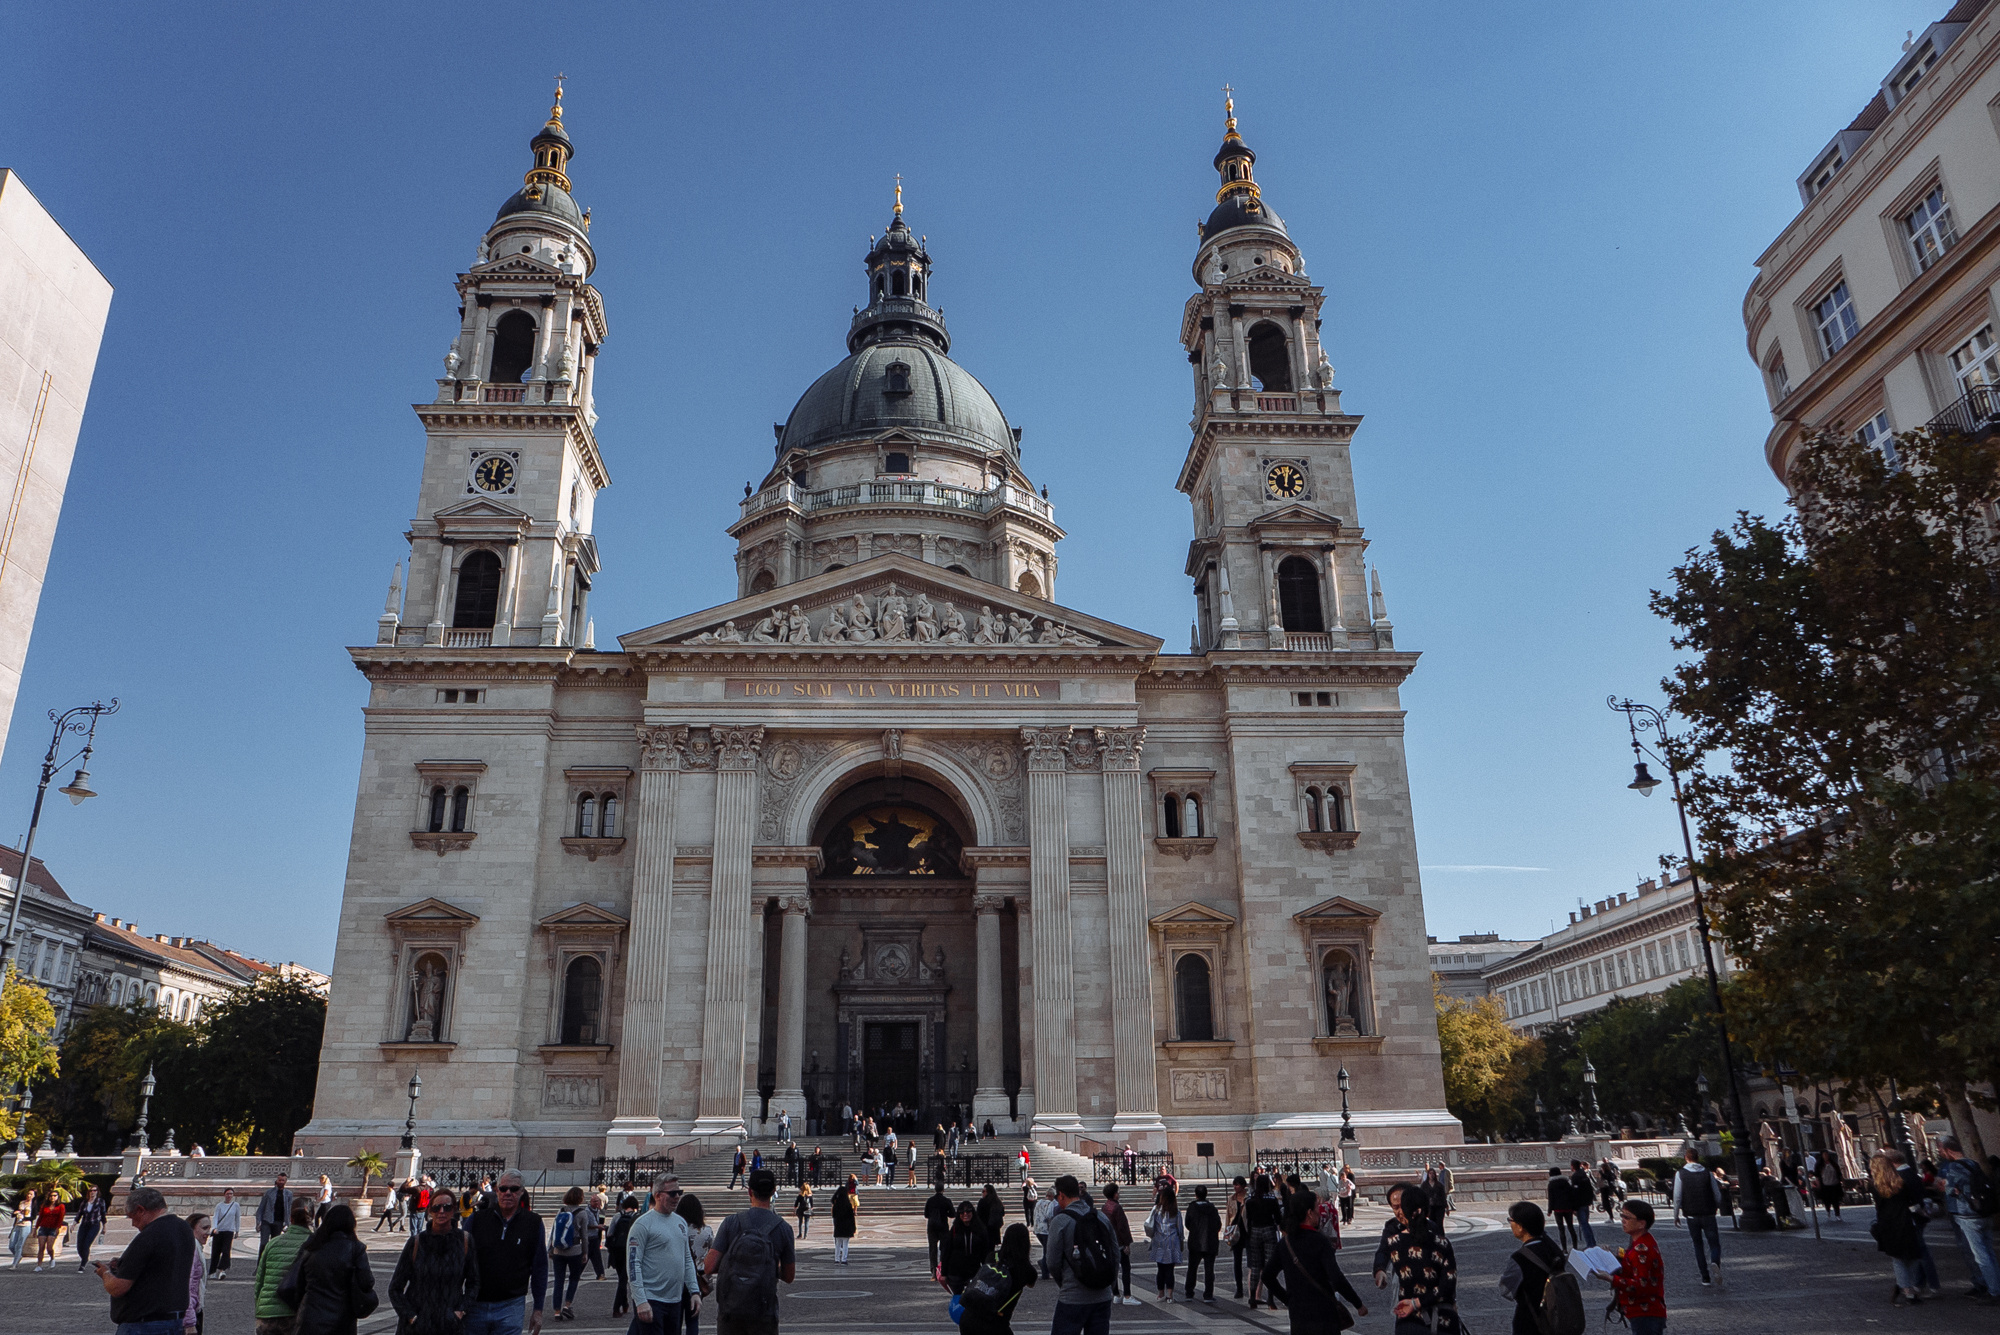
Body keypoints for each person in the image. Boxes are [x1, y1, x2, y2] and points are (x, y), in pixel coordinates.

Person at [703, 1168, 795, 1335]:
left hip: (731, 1311)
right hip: (764, 1311)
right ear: (774, 1191)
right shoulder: (784, 1229)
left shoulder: (731, 1223)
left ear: (749, 1191)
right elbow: (789, 1276)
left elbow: (709, 1266)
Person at [1262, 1190, 1368, 1334]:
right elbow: (1336, 1278)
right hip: (1324, 1312)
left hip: (1299, 1315)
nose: (1320, 1213)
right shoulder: (1320, 1241)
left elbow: (1267, 1276)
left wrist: (1288, 1299)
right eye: (1317, 1208)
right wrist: (1358, 1304)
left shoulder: (1285, 1243)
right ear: (1309, 1213)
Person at [96, 1185, 197, 1335]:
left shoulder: (149, 1236)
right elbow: (160, 1265)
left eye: (132, 1217)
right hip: (175, 1319)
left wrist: (104, 1272)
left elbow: (118, 1288)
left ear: (141, 1210)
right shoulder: (184, 1228)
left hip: (144, 1323)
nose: (133, 1224)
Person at [464, 1170, 549, 1335]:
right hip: (475, 1303)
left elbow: (539, 1267)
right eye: (503, 1189)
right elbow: (460, 1260)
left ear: (522, 1192)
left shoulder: (533, 1223)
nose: (508, 1193)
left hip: (511, 1305)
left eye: (514, 1189)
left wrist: (538, 1309)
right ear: (497, 1191)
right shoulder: (477, 1220)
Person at [389, 1187, 479, 1335]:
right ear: (430, 1210)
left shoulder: (464, 1241)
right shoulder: (417, 1242)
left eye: (447, 1207)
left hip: (450, 1325)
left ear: (454, 1210)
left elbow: (474, 1282)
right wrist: (411, 1316)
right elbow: (395, 1287)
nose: (441, 1211)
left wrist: (460, 1311)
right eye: (436, 1207)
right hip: (417, 1326)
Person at [288, 1204, 379, 1335]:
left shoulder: (312, 1246)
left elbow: (297, 1282)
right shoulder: (355, 1248)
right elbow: (366, 1282)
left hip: (311, 1316)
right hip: (342, 1319)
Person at [627, 1177, 701, 1335]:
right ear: (658, 1195)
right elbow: (633, 1264)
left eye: (679, 1193)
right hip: (651, 1299)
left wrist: (694, 1291)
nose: (677, 1197)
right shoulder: (642, 1224)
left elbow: (686, 1259)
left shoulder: (680, 1222)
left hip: (675, 1300)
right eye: (672, 1193)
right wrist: (640, 1300)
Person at [1044, 1175, 1116, 1335]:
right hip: (1102, 1294)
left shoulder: (1060, 1221)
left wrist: (1064, 1283)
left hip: (1073, 1295)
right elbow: (1114, 1254)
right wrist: (1108, 1282)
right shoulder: (1101, 1217)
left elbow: (1052, 1262)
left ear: (1061, 1195)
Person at [1382, 1184, 1458, 1334]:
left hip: (1408, 1321)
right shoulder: (1441, 1243)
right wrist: (1418, 1303)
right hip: (1441, 1322)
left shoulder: (1393, 1243)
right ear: (1426, 1209)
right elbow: (1448, 1285)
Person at [1936, 1134, 2000, 1302]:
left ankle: (1993, 1291)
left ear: (1949, 1150)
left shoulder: (1954, 1168)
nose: (1940, 1153)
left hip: (1967, 1213)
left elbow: (1950, 1190)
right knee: (1989, 1252)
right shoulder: (1973, 1163)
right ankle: (1994, 1285)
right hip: (1983, 1211)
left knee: (1980, 1255)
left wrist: (1946, 1186)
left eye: (1941, 1150)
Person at [1870, 1150, 1930, 1305]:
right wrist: (1922, 1211)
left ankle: (1906, 1289)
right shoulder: (1900, 1182)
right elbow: (1911, 1203)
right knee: (1913, 1255)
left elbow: (1879, 1207)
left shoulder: (1875, 1185)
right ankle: (1910, 1287)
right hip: (1904, 1221)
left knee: (1897, 1259)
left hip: (1887, 1223)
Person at [1496, 1202, 1564, 1335]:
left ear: (1521, 1227)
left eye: (1511, 1220)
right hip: (1556, 1316)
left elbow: (1505, 1289)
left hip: (1530, 1318)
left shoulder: (1520, 1258)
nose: (1510, 1224)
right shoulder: (1553, 1249)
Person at [959, 1222, 1037, 1335]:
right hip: (994, 1323)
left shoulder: (992, 1256)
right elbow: (1031, 1284)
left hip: (968, 1318)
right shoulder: (1027, 1270)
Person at [1604, 1199, 1666, 1335]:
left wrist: (1610, 1278)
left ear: (1641, 1224)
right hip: (1644, 1311)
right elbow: (1631, 1266)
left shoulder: (1641, 1249)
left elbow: (1641, 1284)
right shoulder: (1641, 1240)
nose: (1623, 1220)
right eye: (1622, 1216)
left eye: (1627, 1217)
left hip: (1645, 1312)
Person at [255, 1200, 314, 1335]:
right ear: (312, 1218)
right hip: (295, 1312)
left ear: (290, 1219)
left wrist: (260, 1306)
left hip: (267, 1313)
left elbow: (260, 1280)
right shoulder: (314, 1244)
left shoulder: (273, 1243)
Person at [1669, 1147, 1723, 1287]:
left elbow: (1677, 1196)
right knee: (1714, 1243)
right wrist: (1716, 1206)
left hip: (1692, 1214)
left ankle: (1705, 1277)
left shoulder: (1680, 1174)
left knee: (1698, 1245)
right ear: (1698, 1157)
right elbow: (1716, 1193)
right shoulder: (1707, 1173)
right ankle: (1715, 1262)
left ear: (1686, 1158)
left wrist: (1676, 1215)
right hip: (1708, 1212)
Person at [675, 1195, 714, 1335]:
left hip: (678, 1277)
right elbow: (712, 1252)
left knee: (676, 1319)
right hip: (698, 1277)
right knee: (693, 1319)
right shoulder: (706, 1231)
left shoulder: (677, 1230)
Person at [1243, 1173, 1283, 1310]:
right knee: (1269, 1265)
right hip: (1268, 1230)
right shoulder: (1271, 1199)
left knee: (1255, 1265)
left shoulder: (1250, 1200)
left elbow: (1248, 1219)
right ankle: (1271, 1298)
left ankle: (1253, 1297)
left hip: (1254, 1231)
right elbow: (1278, 1218)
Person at [549, 1187, 589, 1321]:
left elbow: (554, 1231)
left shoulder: (561, 1210)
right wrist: (585, 1252)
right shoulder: (583, 1213)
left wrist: (550, 1248)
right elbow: (585, 1235)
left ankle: (556, 1311)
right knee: (573, 1278)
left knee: (558, 1281)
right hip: (575, 1250)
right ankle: (567, 1305)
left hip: (558, 1250)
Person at [1144, 1185, 1185, 1302]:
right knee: (1170, 1270)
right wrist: (1181, 1240)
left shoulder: (1156, 1209)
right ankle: (1170, 1295)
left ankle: (1160, 1293)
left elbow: (1151, 1224)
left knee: (1160, 1269)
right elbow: (1180, 1228)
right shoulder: (1176, 1211)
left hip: (1159, 1241)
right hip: (1172, 1241)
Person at [1182, 1184, 1221, 1303]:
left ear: (1196, 1195)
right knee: (1209, 1269)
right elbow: (1218, 1225)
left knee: (1192, 1268)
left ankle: (1189, 1292)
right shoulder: (1212, 1208)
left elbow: (1187, 1223)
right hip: (1210, 1241)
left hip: (1196, 1241)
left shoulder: (1192, 1207)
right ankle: (1208, 1294)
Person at [942, 1199, 989, 1294]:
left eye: (968, 1211)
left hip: (974, 1270)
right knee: (958, 1299)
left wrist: (986, 1270)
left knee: (973, 1298)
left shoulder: (980, 1229)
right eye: (962, 1212)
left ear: (972, 1213)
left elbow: (985, 1251)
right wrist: (944, 1273)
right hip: (956, 1271)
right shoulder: (955, 1230)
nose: (965, 1214)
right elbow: (946, 1251)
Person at [1101, 1182, 1136, 1306]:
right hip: (1119, 1242)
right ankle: (1127, 1295)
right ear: (1115, 1194)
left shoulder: (1105, 1207)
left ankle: (1116, 1294)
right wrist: (1127, 1243)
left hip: (1109, 1242)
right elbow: (1122, 1227)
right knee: (1125, 1268)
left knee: (1114, 1269)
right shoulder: (1116, 1207)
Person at [606, 1195, 640, 1319]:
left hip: (617, 1251)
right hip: (629, 1250)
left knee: (622, 1278)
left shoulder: (617, 1216)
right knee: (623, 1280)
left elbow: (609, 1233)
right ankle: (616, 1308)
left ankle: (624, 1304)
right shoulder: (637, 1218)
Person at [183, 1212, 212, 1335]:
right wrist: (189, 1321)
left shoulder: (194, 1247)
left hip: (194, 1309)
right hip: (191, 1313)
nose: (209, 1232)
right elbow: (188, 1286)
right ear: (192, 1229)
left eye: (209, 1228)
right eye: (204, 1228)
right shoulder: (193, 1249)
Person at [208, 1188, 241, 1280]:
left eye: (231, 1194)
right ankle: (213, 1271)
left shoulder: (235, 1205)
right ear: (224, 1195)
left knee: (226, 1251)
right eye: (227, 1194)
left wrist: (237, 1230)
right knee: (216, 1251)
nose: (229, 1196)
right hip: (219, 1231)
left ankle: (222, 1270)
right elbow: (215, 1217)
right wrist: (214, 1228)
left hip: (229, 1231)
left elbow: (237, 1218)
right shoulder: (219, 1206)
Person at [75, 1183, 108, 1271]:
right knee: (79, 1246)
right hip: (84, 1225)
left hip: (94, 1225)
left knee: (86, 1244)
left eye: (94, 1190)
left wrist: (104, 1227)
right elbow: (79, 1214)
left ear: (97, 1192)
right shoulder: (85, 1202)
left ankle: (83, 1263)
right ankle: (85, 1257)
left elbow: (103, 1215)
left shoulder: (100, 1202)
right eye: (91, 1191)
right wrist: (74, 1224)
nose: (92, 1192)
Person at [1226, 1177, 1249, 1299]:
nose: (1235, 1187)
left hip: (1247, 1231)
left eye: (1237, 1185)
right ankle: (1239, 1288)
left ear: (1243, 1186)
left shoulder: (1248, 1197)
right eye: (1234, 1185)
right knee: (1237, 1261)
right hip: (1235, 1232)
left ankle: (1252, 1288)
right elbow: (1228, 1216)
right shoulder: (1231, 1199)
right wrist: (1227, 1232)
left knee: (1251, 1261)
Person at [258, 1174, 295, 1250]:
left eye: (283, 1180)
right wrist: (258, 1222)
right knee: (263, 1243)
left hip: (279, 1221)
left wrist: (288, 1223)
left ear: (285, 1182)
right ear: (277, 1180)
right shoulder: (269, 1192)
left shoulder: (289, 1194)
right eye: (279, 1180)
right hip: (267, 1221)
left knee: (274, 1244)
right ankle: (261, 1261)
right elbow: (261, 1207)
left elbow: (288, 1209)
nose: (281, 1182)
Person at [33, 1186, 67, 1270]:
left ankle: (52, 1258)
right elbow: (40, 1217)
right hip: (43, 1227)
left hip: (53, 1228)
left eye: (55, 1196)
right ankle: (39, 1265)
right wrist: (36, 1228)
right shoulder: (44, 1206)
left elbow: (61, 1217)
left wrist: (57, 1228)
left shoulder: (60, 1206)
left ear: (57, 1197)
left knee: (49, 1247)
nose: (53, 1197)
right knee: (41, 1246)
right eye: (51, 1196)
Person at [1567, 1161, 1598, 1247]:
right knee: (1586, 1224)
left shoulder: (1576, 1176)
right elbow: (1589, 1189)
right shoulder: (1584, 1175)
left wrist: (1574, 1207)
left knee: (1584, 1225)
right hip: (1586, 1203)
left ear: (1572, 1166)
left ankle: (1590, 1244)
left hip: (1580, 1204)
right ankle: (1592, 1242)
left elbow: (1575, 1192)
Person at [924, 1182, 953, 1273]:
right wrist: (945, 1213)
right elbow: (952, 1214)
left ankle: (933, 1269)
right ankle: (942, 1268)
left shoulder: (930, 1200)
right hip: (943, 1225)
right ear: (943, 1190)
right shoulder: (946, 1200)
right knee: (944, 1248)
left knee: (933, 1248)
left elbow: (926, 1214)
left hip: (932, 1226)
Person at [1545, 1168, 1577, 1250]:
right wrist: (1574, 1207)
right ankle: (1575, 1247)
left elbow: (1551, 1198)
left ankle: (1564, 1249)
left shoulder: (1551, 1184)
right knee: (1571, 1227)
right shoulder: (1566, 1182)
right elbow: (1572, 1195)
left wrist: (1549, 1210)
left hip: (1558, 1209)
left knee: (1561, 1229)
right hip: (1568, 1208)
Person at [830, 1174, 858, 1265]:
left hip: (838, 1227)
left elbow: (833, 1216)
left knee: (838, 1244)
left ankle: (837, 1259)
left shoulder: (836, 1206)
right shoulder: (848, 1205)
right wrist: (853, 1228)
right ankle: (844, 1259)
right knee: (845, 1244)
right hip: (846, 1227)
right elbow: (851, 1217)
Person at [1032, 1183, 1057, 1279]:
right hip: (1046, 1230)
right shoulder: (1050, 1203)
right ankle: (1044, 1270)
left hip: (1038, 1229)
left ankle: (1043, 1264)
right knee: (1047, 1251)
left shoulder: (1038, 1202)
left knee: (1046, 1250)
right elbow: (1049, 1215)